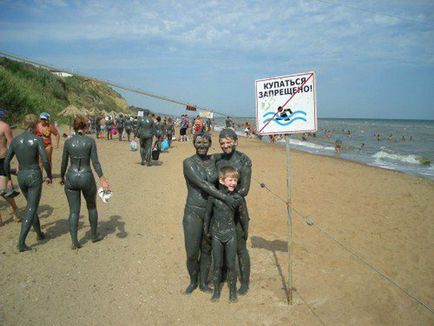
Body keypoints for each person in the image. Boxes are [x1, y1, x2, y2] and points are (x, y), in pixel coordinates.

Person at [182, 131, 242, 294]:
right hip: (193, 211)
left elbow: (230, 154)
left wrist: (245, 160)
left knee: (206, 248)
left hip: (211, 211)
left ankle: (202, 282)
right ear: (194, 143)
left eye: (205, 142)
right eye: (198, 142)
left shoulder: (214, 160)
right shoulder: (188, 163)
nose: (201, 145)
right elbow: (204, 185)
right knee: (192, 251)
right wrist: (225, 197)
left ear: (210, 143)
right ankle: (192, 281)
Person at [60, 116, 110, 249]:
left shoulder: (68, 142)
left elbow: (64, 162)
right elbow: (95, 162)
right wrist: (102, 179)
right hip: (86, 176)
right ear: (86, 126)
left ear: (74, 127)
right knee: (92, 207)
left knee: (74, 211)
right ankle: (93, 236)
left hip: (71, 176)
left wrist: (61, 177)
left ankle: (74, 241)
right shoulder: (90, 141)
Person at [4, 114, 52, 252]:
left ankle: (39, 234)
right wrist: (49, 175)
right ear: (35, 125)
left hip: (21, 176)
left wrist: (8, 179)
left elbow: (7, 161)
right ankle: (21, 242)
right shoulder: (37, 139)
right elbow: (45, 160)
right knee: (31, 207)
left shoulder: (16, 140)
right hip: (34, 175)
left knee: (32, 204)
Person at [214, 128, 252, 295]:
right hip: (219, 207)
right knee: (220, 246)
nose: (225, 145)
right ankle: (222, 275)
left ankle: (244, 282)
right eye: (222, 143)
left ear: (236, 141)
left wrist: (231, 198)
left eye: (229, 142)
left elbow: (245, 188)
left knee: (240, 247)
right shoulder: (217, 159)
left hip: (236, 207)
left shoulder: (244, 160)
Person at [204, 166, 247, 302]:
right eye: (230, 179)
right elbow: (208, 215)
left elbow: (243, 216)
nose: (234, 182)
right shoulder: (213, 197)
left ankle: (232, 292)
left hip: (231, 235)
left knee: (231, 265)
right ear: (222, 181)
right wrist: (206, 230)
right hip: (216, 234)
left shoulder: (238, 198)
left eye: (235, 180)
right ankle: (216, 292)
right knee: (217, 265)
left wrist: (245, 231)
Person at [0, 108, 20, 225]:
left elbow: (13, 145)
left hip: (3, 161)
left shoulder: (5, 127)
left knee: (3, 191)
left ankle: (15, 208)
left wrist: (18, 163)